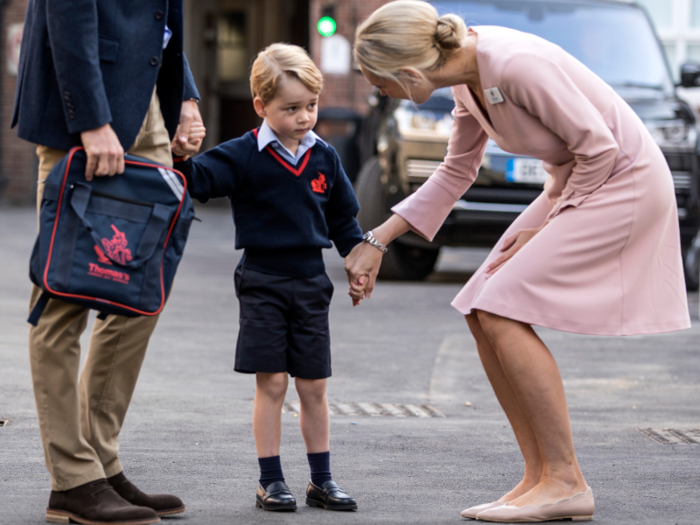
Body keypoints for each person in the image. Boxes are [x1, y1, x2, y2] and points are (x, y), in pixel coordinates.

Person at [346, 1, 691, 522]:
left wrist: (545, 228)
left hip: (623, 182)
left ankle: (566, 480)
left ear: (411, 74)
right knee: (480, 307)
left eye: (380, 83)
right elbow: (456, 171)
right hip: (577, 182)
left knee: (502, 307)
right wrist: (379, 239)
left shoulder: (513, 62)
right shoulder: (466, 77)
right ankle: (539, 477)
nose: (379, 93)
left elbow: (599, 150)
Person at [12, 1, 204, 524]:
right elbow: (68, 10)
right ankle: (72, 480)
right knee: (64, 296)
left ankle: (99, 457)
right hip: (85, 109)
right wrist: (91, 119)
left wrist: (183, 92)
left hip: (148, 104)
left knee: (141, 289)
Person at [172, 43, 359, 513]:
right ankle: (270, 481)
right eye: (291, 108)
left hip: (312, 283)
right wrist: (181, 152)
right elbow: (196, 180)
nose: (304, 117)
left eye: (311, 106)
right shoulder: (241, 156)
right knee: (272, 383)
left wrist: (357, 263)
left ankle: (322, 480)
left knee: (313, 386)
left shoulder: (325, 158)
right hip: (262, 280)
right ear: (261, 106)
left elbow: (344, 221)